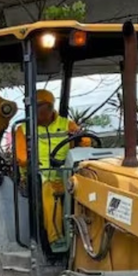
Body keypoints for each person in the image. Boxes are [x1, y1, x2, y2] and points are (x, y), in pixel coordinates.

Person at [13, 89, 83, 242]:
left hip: (66, 177)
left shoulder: (67, 125)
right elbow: (21, 157)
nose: (39, 115)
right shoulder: (23, 129)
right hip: (35, 179)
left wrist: (80, 139)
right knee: (48, 192)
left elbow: (85, 144)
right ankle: (56, 240)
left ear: (51, 108)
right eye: (36, 110)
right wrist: (29, 159)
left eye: (42, 110)